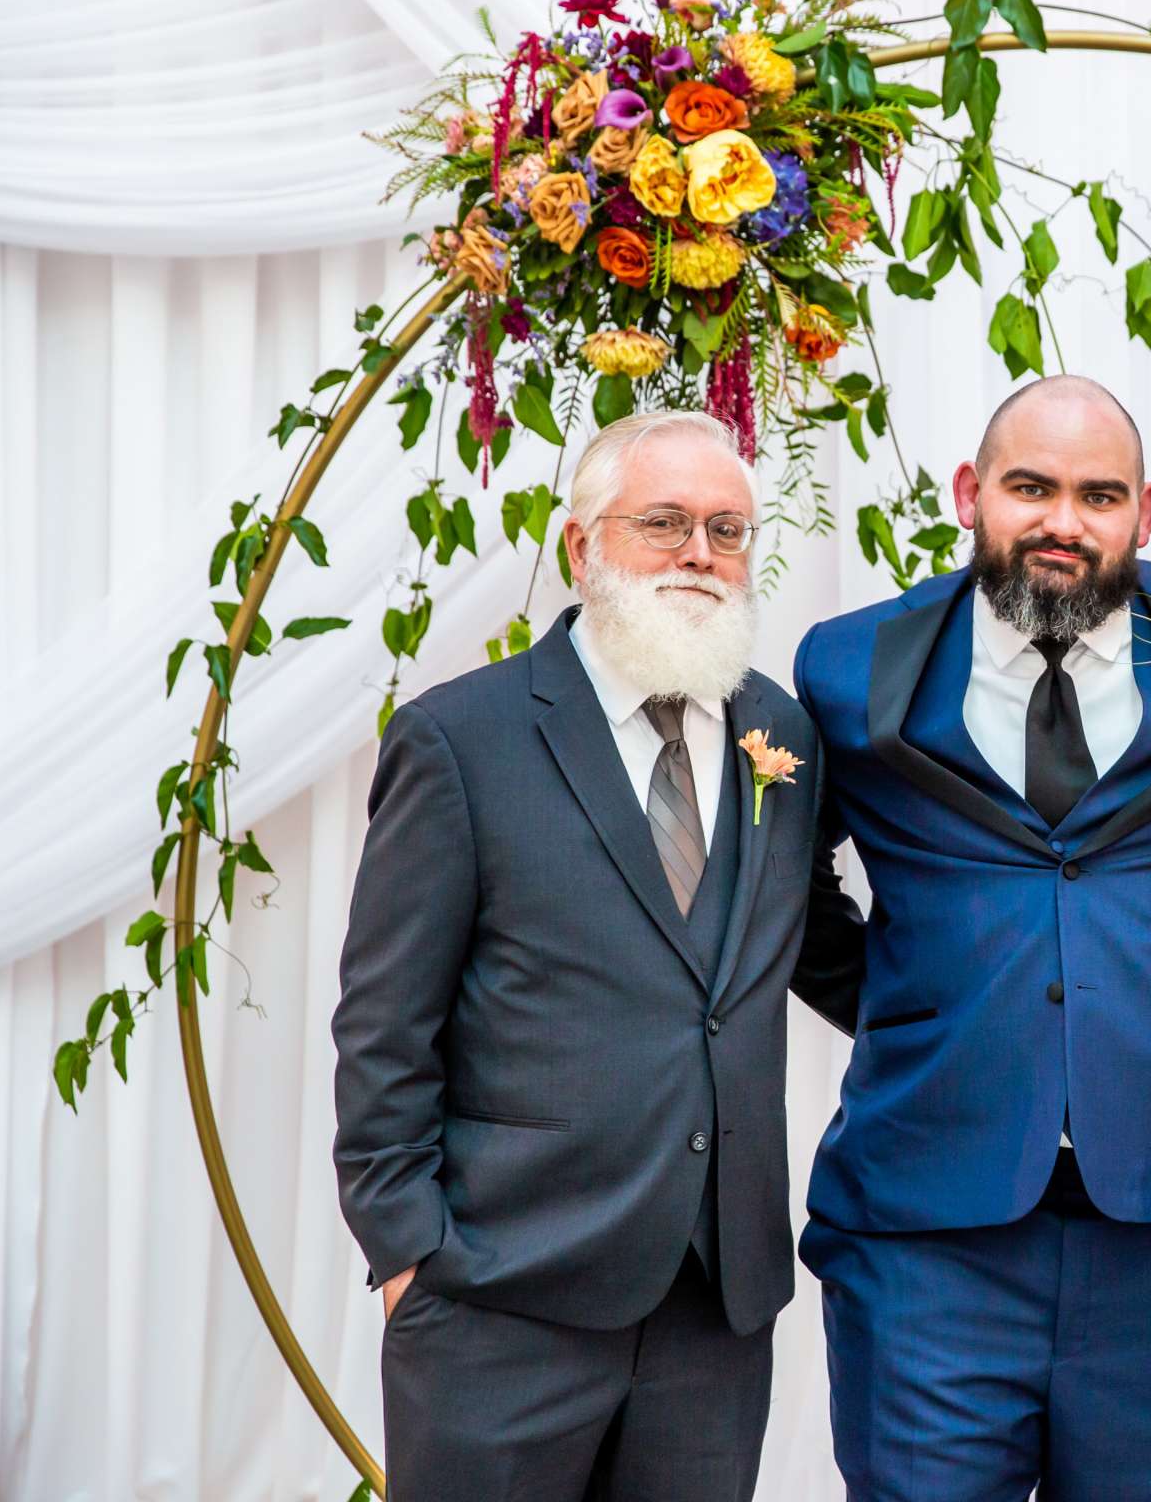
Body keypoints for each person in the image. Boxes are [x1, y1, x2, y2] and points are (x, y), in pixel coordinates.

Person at [792, 374, 1151, 1501]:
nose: (1064, 520)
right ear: (971, 493)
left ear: (1144, 516)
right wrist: (911, 1005)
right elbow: (784, 884)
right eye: (1031, 487)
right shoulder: (846, 667)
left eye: (1098, 495)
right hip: (924, 1236)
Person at [330, 410, 863, 1502]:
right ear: (583, 543)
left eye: (727, 528)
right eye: (663, 522)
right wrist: (406, 1255)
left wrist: (991, 1010)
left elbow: (812, 944)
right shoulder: (459, 739)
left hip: (715, 1307)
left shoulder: (787, 737)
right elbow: (384, 1024)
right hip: (499, 1296)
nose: (699, 554)